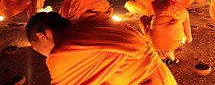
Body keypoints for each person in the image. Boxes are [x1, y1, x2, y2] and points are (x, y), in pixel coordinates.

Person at [26, 12, 177, 85]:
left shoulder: (62, 54)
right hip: (164, 76)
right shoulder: (97, 19)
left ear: (42, 36)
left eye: (36, 49)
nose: (42, 54)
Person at [140, 0, 192, 64]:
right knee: (178, 32)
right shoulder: (183, 11)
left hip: (155, 41)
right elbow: (189, 39)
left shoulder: (156, 4)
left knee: (143, 18)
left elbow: (151, 22)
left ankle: (161, 53)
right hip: (174, 42)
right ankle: (170, 52)